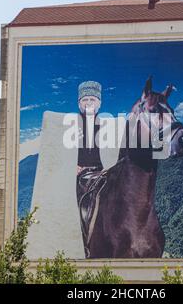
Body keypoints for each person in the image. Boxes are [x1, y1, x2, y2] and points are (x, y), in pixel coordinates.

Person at [76, 81, 105, 257]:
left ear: (99, 103)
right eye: (85, 99)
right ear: (79, 103)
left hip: (103, 174)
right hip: (78, 177)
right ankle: (85, 242)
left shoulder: (107, 126)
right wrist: (71, 165)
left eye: (92, 99)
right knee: (82, 210)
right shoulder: (70, 126)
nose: (88, 103)